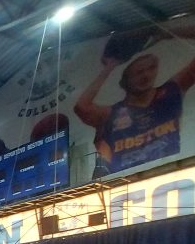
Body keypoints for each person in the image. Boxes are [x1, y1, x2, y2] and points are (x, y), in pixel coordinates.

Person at [74, 31, 195, 176]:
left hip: (170, 173)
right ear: (125, 81)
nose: (146, 75)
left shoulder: (170, 92)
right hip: (126, 182)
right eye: (139, 72)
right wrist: (109, 67)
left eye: (151, 68)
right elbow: (81, 107)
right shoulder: (112, 113)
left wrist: (166, 31)